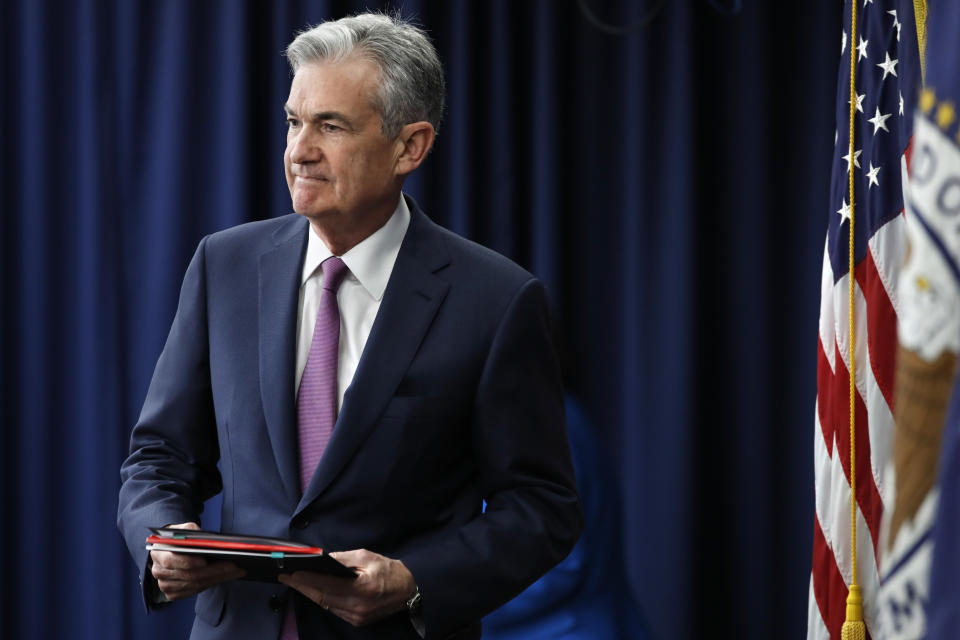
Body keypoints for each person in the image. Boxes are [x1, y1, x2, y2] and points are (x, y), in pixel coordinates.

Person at [117, 12, 582, 640]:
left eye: (330, 126)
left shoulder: (497, 300)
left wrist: (417, 578)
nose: (298, 151)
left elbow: (541, 507)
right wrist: (163, 534)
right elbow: (161, 454)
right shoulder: (223, 266)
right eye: (293, 122)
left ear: (409, 146)